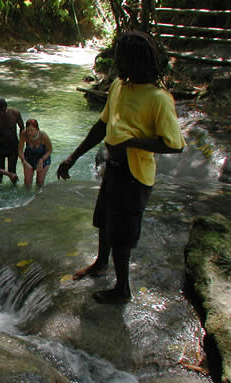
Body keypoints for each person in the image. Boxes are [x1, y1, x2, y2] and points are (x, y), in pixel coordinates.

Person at [57, 31, 185, 304]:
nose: (116, 62)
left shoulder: (158, 98)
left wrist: (131, 143)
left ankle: (123, 289)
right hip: (113, 168)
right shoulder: (118, 85)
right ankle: (101, 263)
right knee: (105, 220)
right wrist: (74, 156)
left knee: (123, 234)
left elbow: (175, 144)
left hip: (135, 174)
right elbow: (101, 125)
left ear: (136, 61)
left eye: (121, 57)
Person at [0, 98, 24, 183]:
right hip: (0, 146)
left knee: (12, 170)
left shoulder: (15, 113)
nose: (2, 113)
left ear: (6, 107)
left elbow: (22, 129)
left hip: (13, 145)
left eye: (3, 110)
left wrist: (21, 146)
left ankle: (14, 189)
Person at [19, 118, 53, 189]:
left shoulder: (43, 136)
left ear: (37, 129)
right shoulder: (24, 134)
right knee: (27, 183)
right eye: (28, 130)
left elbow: (50, 150)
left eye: (32, 130)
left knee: (39, 182)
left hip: (43, 157)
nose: (29, 133)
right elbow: (20, 151)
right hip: (29, 157)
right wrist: (24, 161)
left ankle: (40, 198)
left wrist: (42, 160)